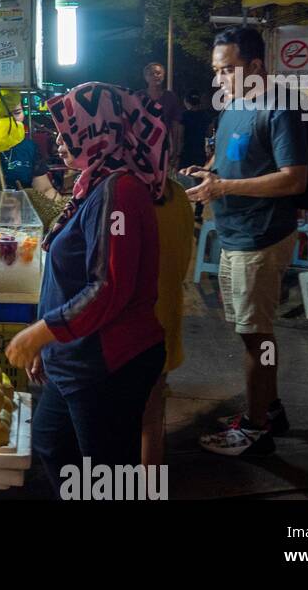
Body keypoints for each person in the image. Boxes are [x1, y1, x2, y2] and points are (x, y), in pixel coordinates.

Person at [5, 82, 169, 488]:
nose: (59, 141)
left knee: (108, 478)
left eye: (68, 130)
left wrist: (40, 333)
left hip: (109, 360)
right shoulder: (93, 184)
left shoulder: (120, 192)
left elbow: (108, 287)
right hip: (76, 356)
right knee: (52, 444)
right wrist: (49, 343)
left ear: (98, 131)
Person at [182, 26, 308, 457]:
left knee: (256, 335)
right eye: (216, 72)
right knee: (250, 332)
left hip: (262, 235)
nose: (220, 80)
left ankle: (256, 429)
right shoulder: (234, 104)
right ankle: (270, 408)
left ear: (255, 66)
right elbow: (228, 154)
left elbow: (294, 178)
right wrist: (209, 172)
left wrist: (226, 189)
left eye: (228, 70)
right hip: (234, 233)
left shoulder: (281, 108)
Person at [142, 176, 194, 466]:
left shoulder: (119, 193)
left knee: (117, 428)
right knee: (151, 420)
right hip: (163, 324)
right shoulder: (176, 193)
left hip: (125, 335)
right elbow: (183, 260)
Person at [136, 63, 183, 169]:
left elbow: (176, 124)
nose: (155, 76)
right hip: (143, 146)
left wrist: (175, 148)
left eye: (158, 73)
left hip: (164, 146)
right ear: (146, 77)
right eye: (151, 74)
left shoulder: (170, 97)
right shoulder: (139, 96)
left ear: (163, 75)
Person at [179, 90, 215, 169]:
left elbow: (180, 136)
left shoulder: (184, 116)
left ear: (186, 102)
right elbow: (209, 134)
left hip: (186, 152)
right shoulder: (206, 116)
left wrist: (177, 153)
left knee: (184, 178)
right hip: (200, 152)